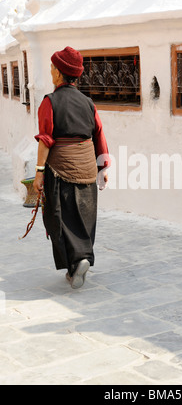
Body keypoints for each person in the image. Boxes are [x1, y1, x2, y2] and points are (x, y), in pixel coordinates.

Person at [33, 46, 111, 289]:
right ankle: (83, 258)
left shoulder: (50, 101)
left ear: (59, 73)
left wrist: (38, 172)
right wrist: (103, 167)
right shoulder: (88, 103)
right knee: (85, 216)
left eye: (52, 68)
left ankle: (76, 264)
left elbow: (46, 139)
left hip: (61, 169)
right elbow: (98, 133)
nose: (50, 72)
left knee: (61, 217)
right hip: (88, 166)